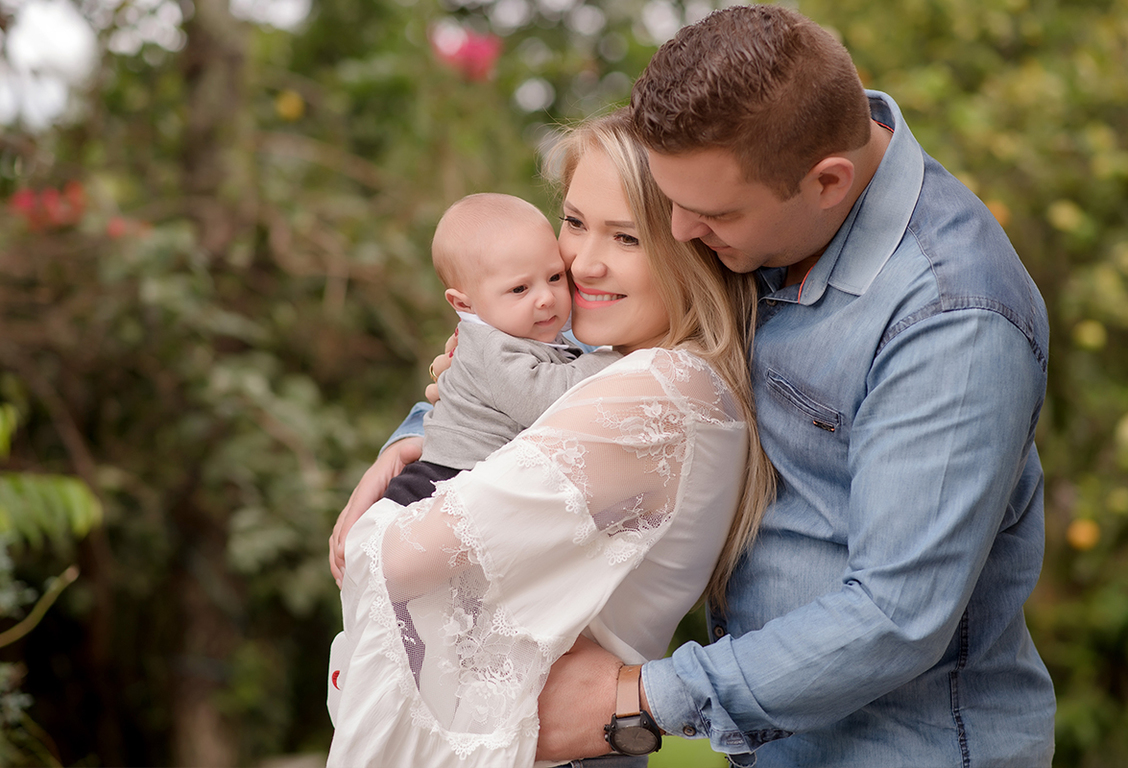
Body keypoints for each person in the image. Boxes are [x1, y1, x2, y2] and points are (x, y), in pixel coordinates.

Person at [530, 6, 1056, 767]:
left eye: (706, 212)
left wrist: (634, 701)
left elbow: (895, 614)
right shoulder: (756, 212)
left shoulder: (954, 316)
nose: (677, 231)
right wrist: (428, 422)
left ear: (828, 182)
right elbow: (600, 322)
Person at [325, 110, 775, 767]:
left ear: (689, 242)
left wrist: (375, 515)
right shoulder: (627, 372)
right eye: (574, 222)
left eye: (626, 237)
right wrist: (412, 441)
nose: (583, 264)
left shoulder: (657, 392)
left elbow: (395, 559)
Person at [379, 192, 620, 507]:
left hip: (482, 477)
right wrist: (614, 358)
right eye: (520, 288)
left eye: (555, 276)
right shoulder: (490, 346)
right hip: (443, 478)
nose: (546, 298)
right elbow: (546, 398)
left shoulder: (526, 330)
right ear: (464, 304)